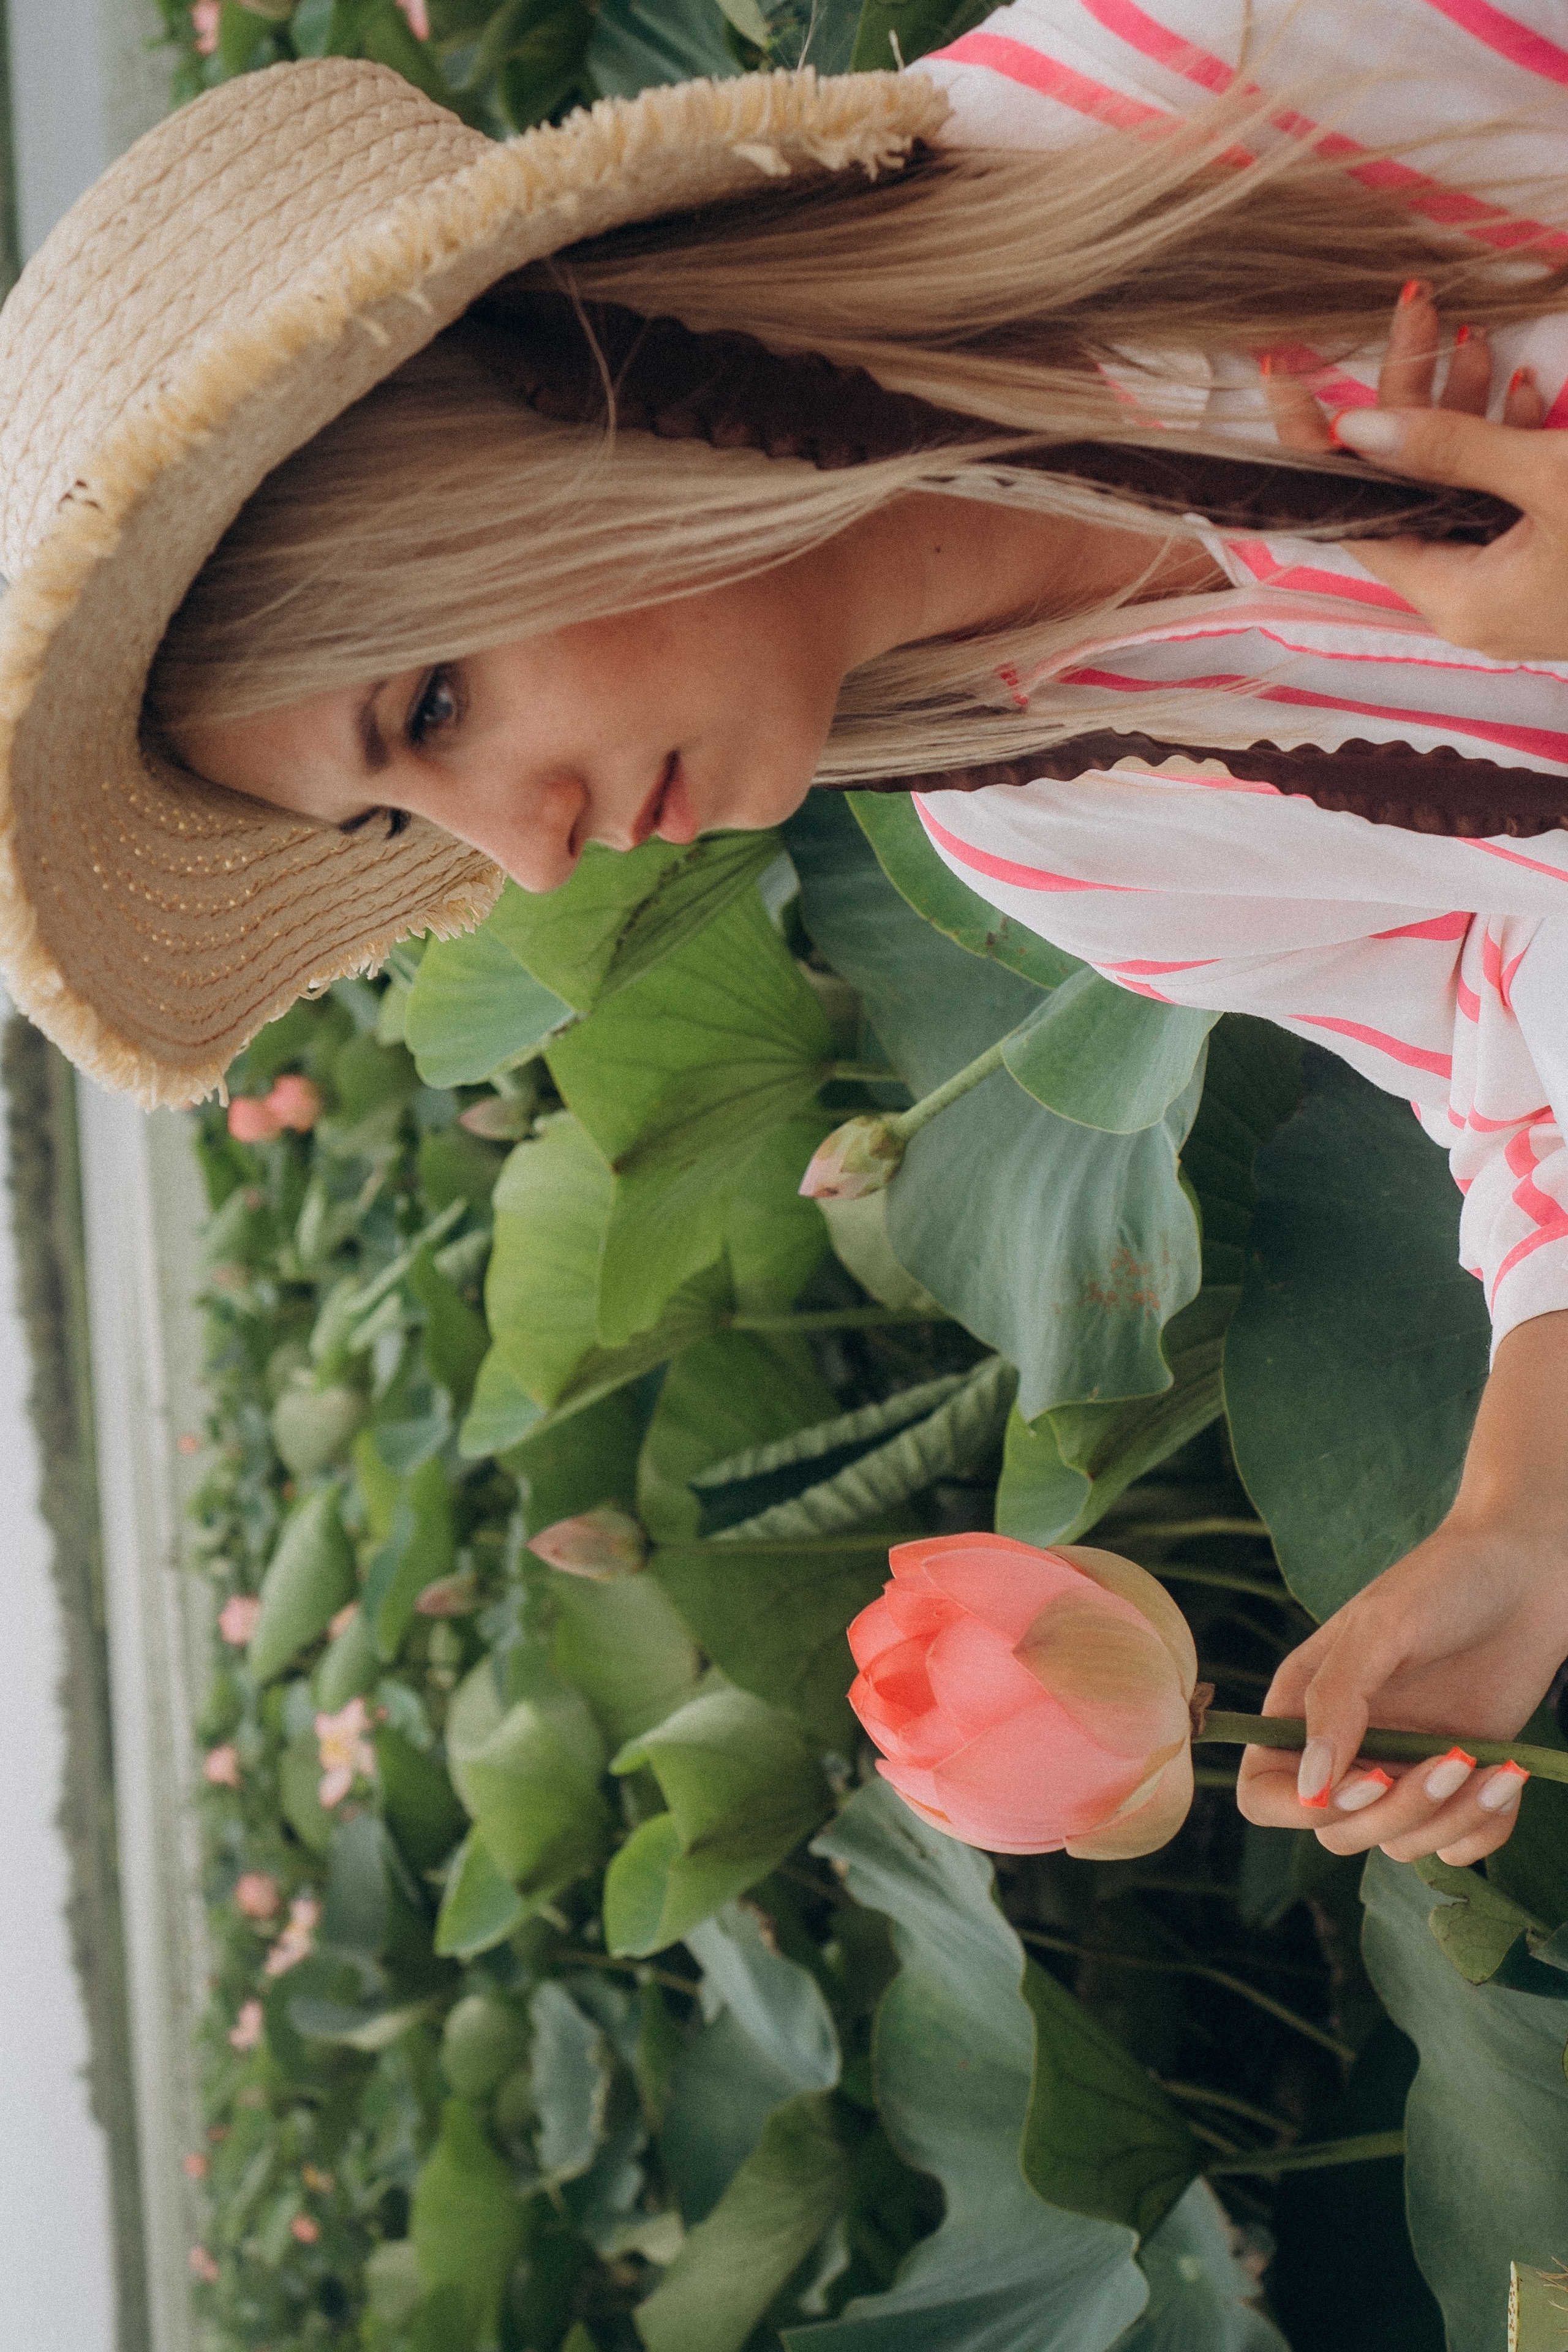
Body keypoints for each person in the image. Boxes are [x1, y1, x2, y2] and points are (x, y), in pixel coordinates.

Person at [4, 0, 1568, 1869]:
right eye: (397, 816)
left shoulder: (1195, 85)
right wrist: (1521, 1519)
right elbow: (1508, 1025)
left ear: (522, 427)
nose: (532, 860)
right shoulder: (1055, 844)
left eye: (431, 710)